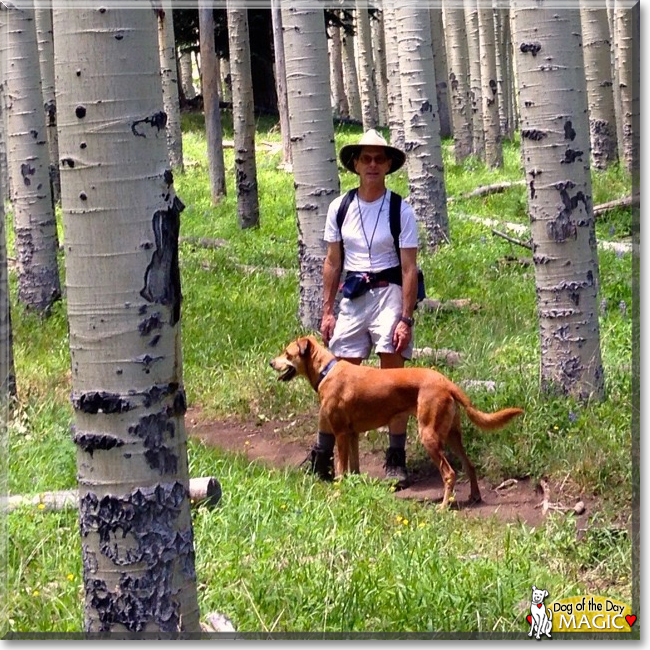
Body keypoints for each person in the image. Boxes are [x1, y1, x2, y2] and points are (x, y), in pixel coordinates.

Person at [308, 129, 419, 488]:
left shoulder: (401, 210)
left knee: (393, 377)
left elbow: (408, 269)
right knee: (335, 379)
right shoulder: (339, 208)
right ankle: (324, 455)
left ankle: (395, 458)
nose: (372, 165)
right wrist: (328, 310)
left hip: (389, 293)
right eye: (366, 159)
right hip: (353, 297)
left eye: (379, 159)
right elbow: (331, 262)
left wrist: (405, 318)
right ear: (355, 164)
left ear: (388, 165)